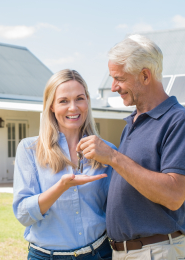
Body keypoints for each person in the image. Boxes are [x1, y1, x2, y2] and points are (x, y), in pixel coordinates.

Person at [77, 35, 185, 260]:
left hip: (156, 252)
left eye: (119, 79)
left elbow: (174, 195)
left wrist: (114, 157)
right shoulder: (132, 123)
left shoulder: (180, 121)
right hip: (127, 252)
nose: (114, 87)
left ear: (145, 75)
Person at [13, 69, 116, 260]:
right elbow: (23, 214)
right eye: (63, 101)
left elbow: (116, 209)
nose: (73, 107)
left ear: (87, 102)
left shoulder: (106, 151)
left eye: (79, 98)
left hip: (99, 254)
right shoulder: (29, 150)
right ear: (51, 106)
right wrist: (61, 187)